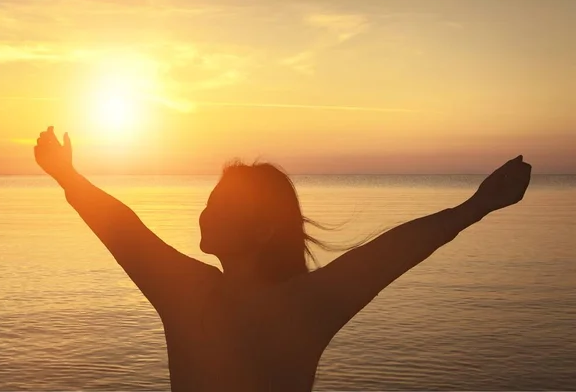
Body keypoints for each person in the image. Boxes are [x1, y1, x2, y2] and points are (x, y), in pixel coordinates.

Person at [34, 125, 531, 392]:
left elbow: (392, 252)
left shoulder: (202, 295)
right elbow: (123, 228)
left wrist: (477, 206)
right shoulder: (298, 304)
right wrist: (67, 177)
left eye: (223, 206)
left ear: (264, 228)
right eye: (210, 200)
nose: (205, 214)